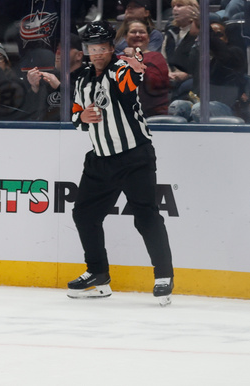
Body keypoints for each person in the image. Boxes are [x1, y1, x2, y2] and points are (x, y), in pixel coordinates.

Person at [67, 21, 175, 305]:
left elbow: (130, 83)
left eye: (102, 48)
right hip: (100, 159)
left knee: (146, 215)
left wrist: (138, 69)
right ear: (86, 50)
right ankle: (98, 274)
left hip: (133, 156)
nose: (97, 53)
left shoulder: (121, 69)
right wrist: (82, 118)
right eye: (92, 48)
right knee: (84, 215)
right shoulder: (82, 79)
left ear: (110, 48)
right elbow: (77, 115)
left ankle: (163, 275)